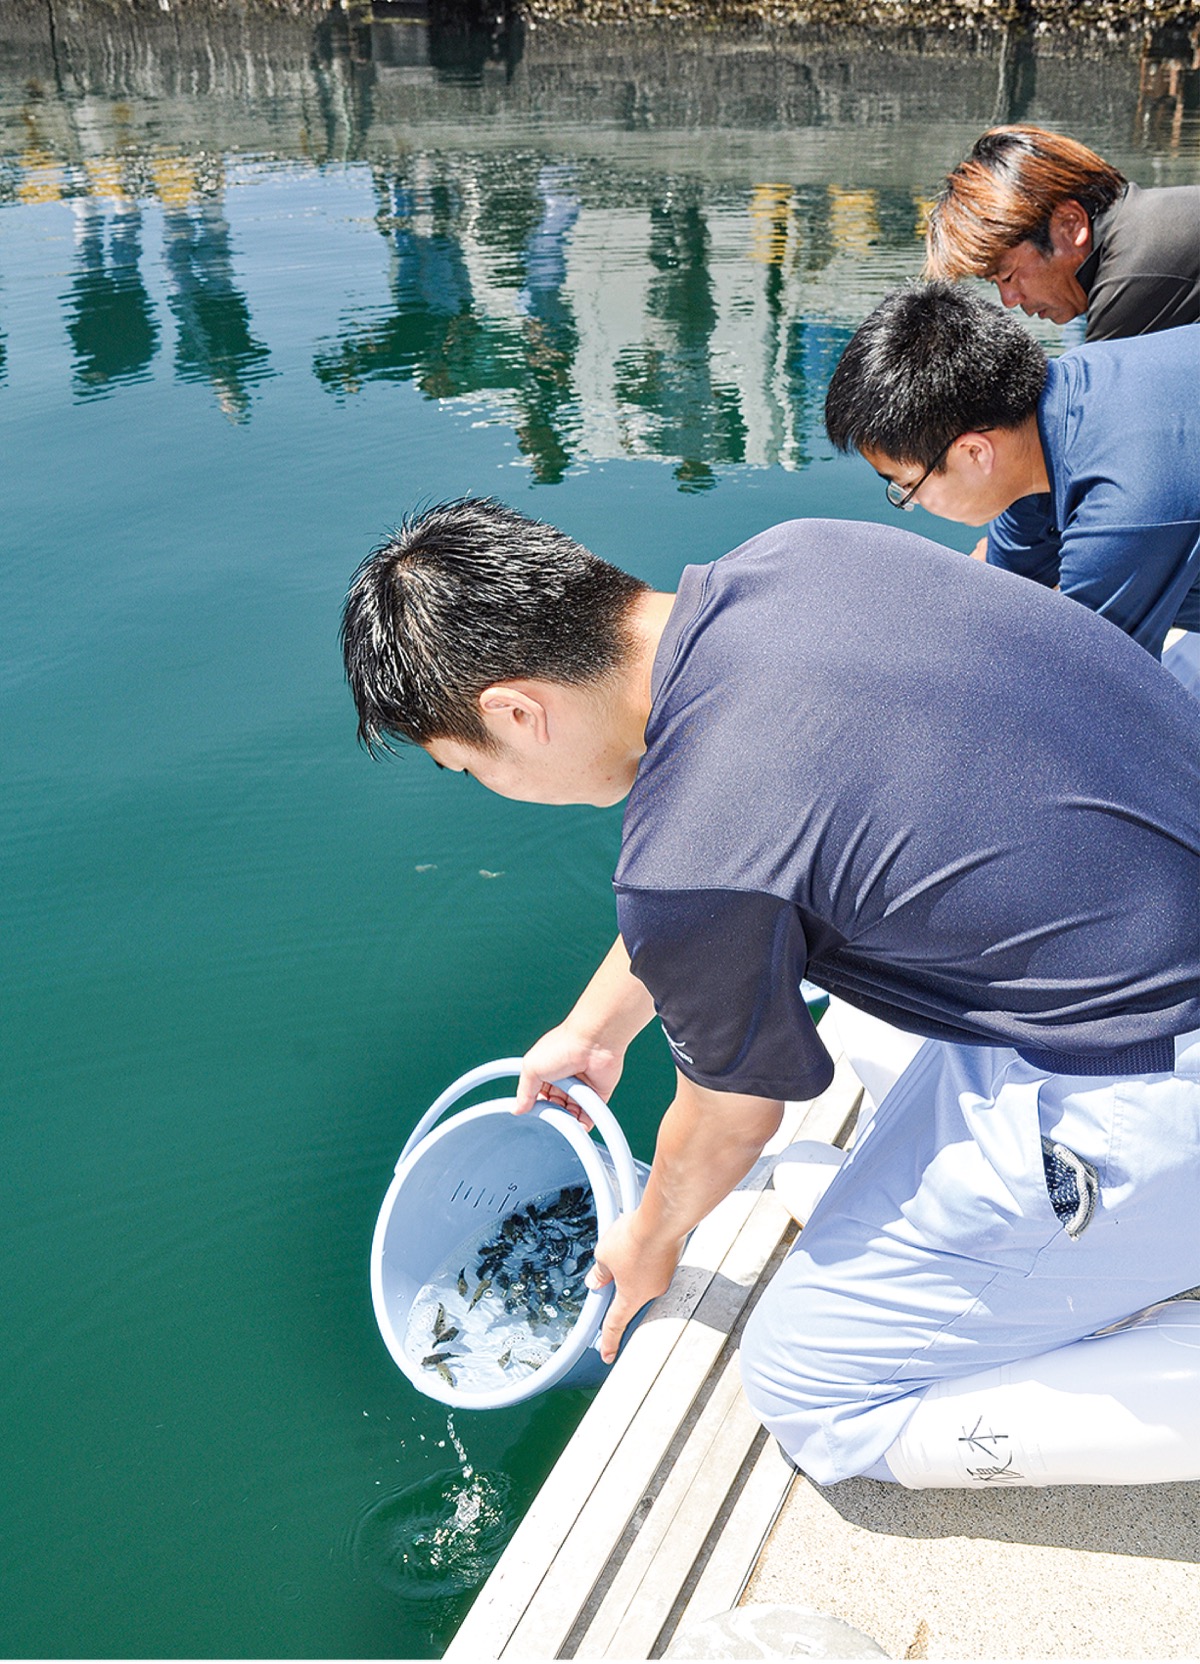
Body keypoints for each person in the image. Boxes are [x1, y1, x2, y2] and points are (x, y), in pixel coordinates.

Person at [341, 496, 1200, 1489]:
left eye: (468, 767)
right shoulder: (803, 554)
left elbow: (728, 1120)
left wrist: (648, 1237)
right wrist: (594, 1026)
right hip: (1137, 920)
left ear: (515, 713)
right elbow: (750, 859)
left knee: (805, 1379)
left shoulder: (688, 856)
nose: (490, 785)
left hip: (1159, 1068)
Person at [822, 281, 1200, 667]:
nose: (911, 501)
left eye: (906, 486)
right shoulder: (1047, 419)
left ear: (973, 452)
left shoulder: (1120, 509)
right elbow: (997, 594)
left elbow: (1087, 693)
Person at [923, 124, 1200, 341]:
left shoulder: (1133, 278)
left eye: (1008, 276)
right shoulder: (1145, 222)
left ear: (1069, 225)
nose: (1009, 301)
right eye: (996, 283)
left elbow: (1090, 410)